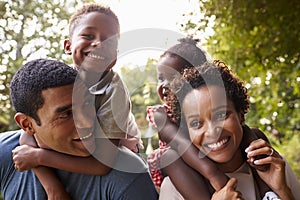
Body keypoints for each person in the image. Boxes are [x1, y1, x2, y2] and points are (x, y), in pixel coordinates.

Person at [12, 3, 146, 199]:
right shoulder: (62, 81)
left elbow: (103, 163)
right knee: (25, 140)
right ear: (68, 46)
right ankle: (53, 190)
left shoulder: (113, 89)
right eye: (88, 36)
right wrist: (42, 169)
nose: (99, 44)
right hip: (84, 141)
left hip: (117, 146)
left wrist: (41, 156)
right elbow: (28, 140)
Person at [0, 58, 158, 200]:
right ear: (27, 125)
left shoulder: (128, 176)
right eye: (66, 114)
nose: (87, 123)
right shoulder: (6, 153)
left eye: (88, 104)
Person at [147, 37, 272, 199]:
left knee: (253, 133)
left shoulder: (210, 97)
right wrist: (214, 175)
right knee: (169, 157)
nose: (164, 84)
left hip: (211, 150)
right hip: (183, 162)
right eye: (161, 78)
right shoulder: (160, 113)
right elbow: (180, 143)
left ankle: (268, 193)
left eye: (173, 77)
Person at [158, 60, 300, 199]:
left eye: (221, 115)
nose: (213, 131)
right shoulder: (176, 189)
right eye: (196, 124)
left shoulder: (275, 167)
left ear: (240, 115)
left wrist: (282, 190)